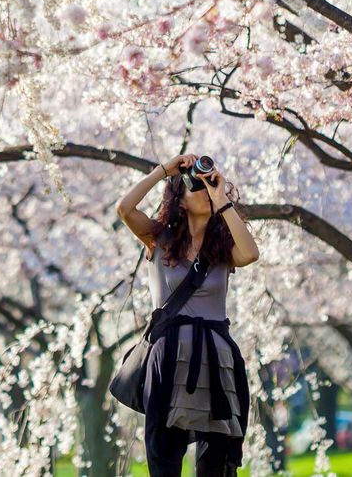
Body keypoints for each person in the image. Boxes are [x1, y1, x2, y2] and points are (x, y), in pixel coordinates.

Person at [116, 153, 260, 477]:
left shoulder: (223, 250)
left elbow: (251, 253)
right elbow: (124, 209)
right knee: (164, 455)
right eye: (198, 187)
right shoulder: (159, 239)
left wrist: (221, 199)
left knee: (216, 463)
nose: (206, 192)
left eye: (209, 186)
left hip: (216, 358)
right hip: (168, 356)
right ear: (179, 200)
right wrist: (165, 170)